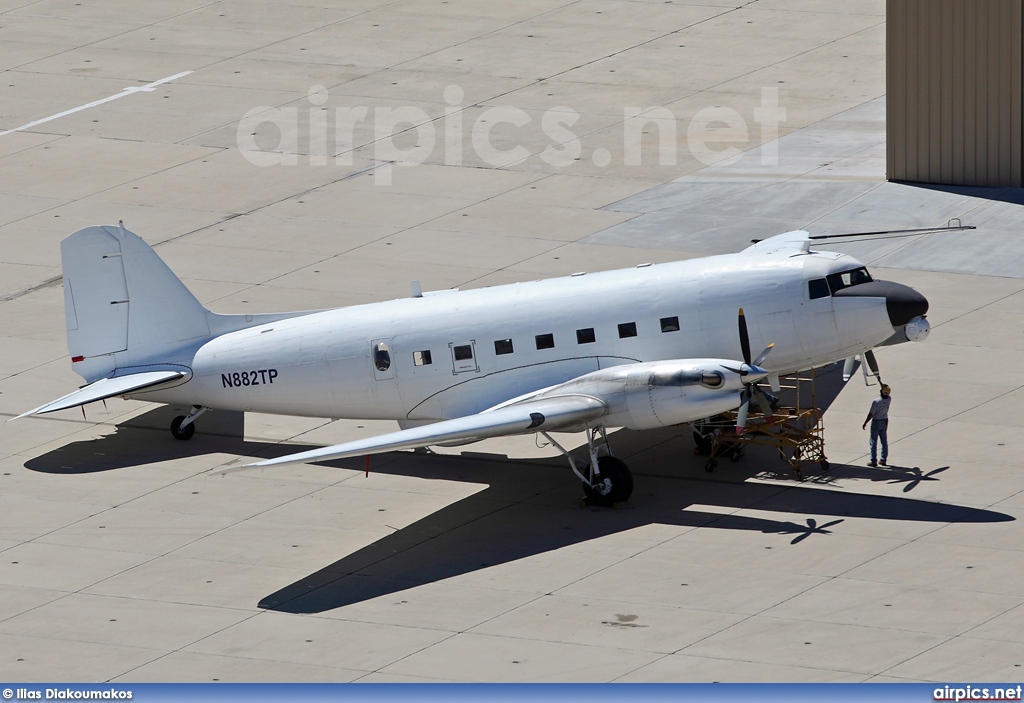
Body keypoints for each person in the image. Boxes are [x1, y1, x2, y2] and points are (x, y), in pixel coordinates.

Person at [862, 384, 892, 467]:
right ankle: (883, 459)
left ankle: (873, 461)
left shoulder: (876, 401)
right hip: (884, 421)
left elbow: (871, 413)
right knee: (884, 442)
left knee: (873, 442)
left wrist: (865, 422)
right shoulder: (889, 399)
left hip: (876, 422)